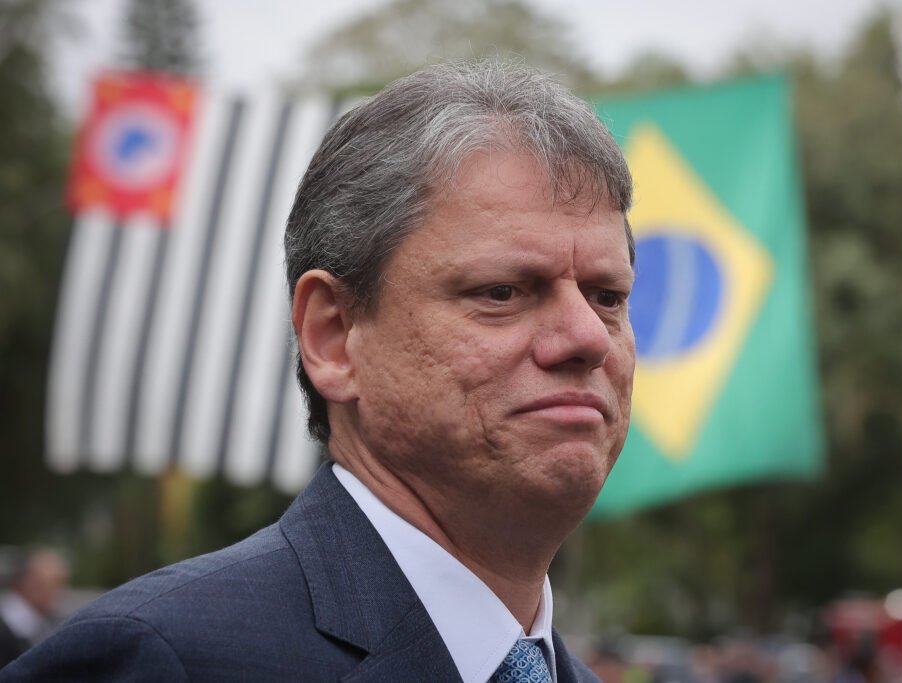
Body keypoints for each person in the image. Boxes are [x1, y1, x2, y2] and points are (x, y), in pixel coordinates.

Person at [1, 59, 635, 682]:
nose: (587, 338)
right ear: (332, 338)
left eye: (608, 297)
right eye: (502, 291)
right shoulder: (162, 660)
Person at [0, 548, 68, 668]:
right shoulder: (10, 629)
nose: (58, 593)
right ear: (30, 583)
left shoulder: (44, 622)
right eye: (53, 584)